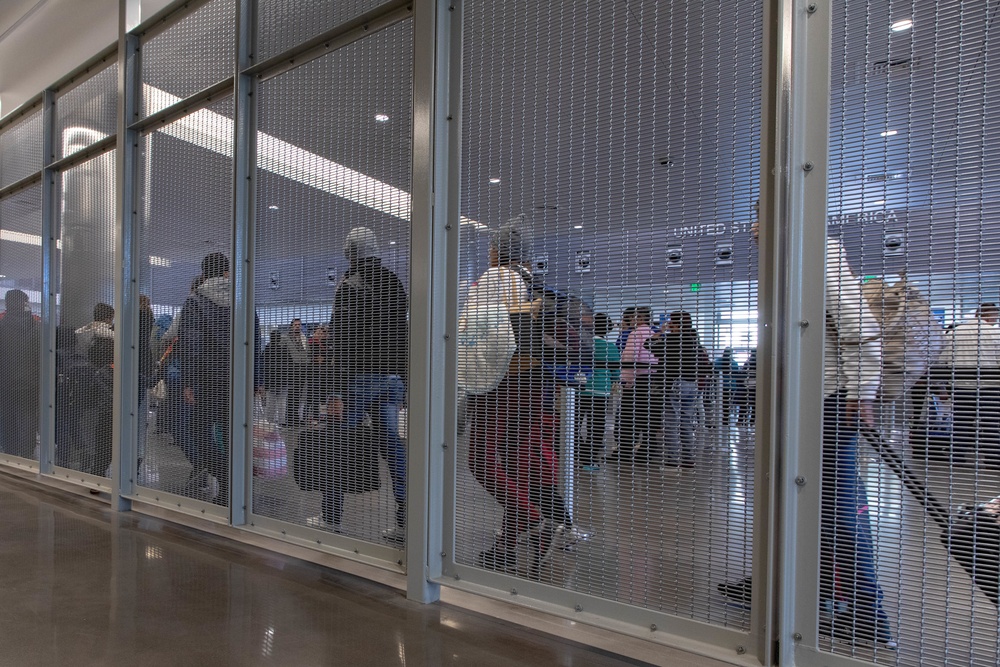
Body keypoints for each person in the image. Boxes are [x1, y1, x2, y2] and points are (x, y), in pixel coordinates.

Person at [718, 202, 894, 648]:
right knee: (791, 502)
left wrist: (861, 392)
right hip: (801, 406)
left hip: (828, 405)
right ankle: (789, 588)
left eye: (764, 214)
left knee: (837, 508)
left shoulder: (821, 256)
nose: (755, 227)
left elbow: (861, 329)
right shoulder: (787, 266)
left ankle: (868, 614)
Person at [464, 220, 589, 574]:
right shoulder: (537, 288)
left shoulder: (494, 280)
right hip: (537, 390)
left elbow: (480, 338)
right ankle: (509, 545)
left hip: (501, 385)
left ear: (494, 252)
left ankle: (536, 521)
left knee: (482, 460)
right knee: (523, 468)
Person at [314, 227, 408, 544]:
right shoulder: (395, 283)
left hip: (358, 378)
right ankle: (406, 520)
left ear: (352, 252)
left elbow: (342, 340)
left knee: (338, 447)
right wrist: (403, 379)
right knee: (394, 450)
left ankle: (330, 518)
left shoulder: (350, 285)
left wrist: (335, 390)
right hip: (391, 380)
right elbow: (403, 334)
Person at [177, 252, 262, 504]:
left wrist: (188, 381)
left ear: (204, 274)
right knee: (235, 431)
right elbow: (255, 344)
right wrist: (256, 380)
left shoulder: (195, 301)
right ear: (227, 272)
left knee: (197, 429)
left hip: (208, 378)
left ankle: (224, 476)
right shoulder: (244, 300)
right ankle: (234, 484)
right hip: (240, 379)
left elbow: (190, 344)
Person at [943, 302, 1000, 463]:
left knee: (961, 422)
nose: (996, 320)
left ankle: (957, 456)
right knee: (990, 425)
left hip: (961, 386)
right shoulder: (995, 333)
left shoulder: (954, 333)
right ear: (988, 315)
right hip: (990, 387)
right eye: (995, 316)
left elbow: (944, 361)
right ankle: (993, 460)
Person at [646, 310, 704, 467]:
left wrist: (660, 332)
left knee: (671, 422)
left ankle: (672, 460)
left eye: (671, 321)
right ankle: (689, 458)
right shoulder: (693, 340)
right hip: (691, 384)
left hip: (675, 383)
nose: (669, 324)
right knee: (686, 421)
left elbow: (648, 345)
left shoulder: (672, 339)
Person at [611, 306, 658, 461]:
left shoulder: (635, 334)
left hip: (636, 380)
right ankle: (647, 449)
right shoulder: (654, 334)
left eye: (633, 318)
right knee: (646, 415)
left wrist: (627, 380)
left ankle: (624, 450)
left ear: (640, 318)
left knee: (627, 416)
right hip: (651, 380)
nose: (630, 321)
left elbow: (630, 358)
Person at [0, 290, 40, 458]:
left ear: (8, 304)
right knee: (28, 417)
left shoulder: (2, 326)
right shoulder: (38, 326)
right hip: (31, 381)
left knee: (7, 416)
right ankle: (26, 454)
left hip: (5, 381)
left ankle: (9, 453)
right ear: (25, 303)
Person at [578, 313, 620, 471]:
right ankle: (591, 460)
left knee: (574, 425)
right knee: (596, 427)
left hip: (580, 389)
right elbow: (615, 371)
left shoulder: (582, 344)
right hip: (601, 390)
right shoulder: (610, 348)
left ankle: (578, 452)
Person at [282, 318, 310, 426]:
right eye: (295, 325)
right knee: (291, 395)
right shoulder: (286, 338)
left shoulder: (304, 338)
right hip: (292, 370)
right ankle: (289, 419)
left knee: (298, 395)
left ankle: (296, 418)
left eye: (299, 325)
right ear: (292, 326)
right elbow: (282, 353)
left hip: (303, 369)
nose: (297, 326)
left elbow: (308, 353)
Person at [714, 348, 739, 427]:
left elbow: (714, 368)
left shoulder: (719, 361)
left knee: (721, 403)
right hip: (731, 386)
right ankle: (726, 419)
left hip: (721, 386)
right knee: (728, 403)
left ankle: (722, 419)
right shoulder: (734, 363)